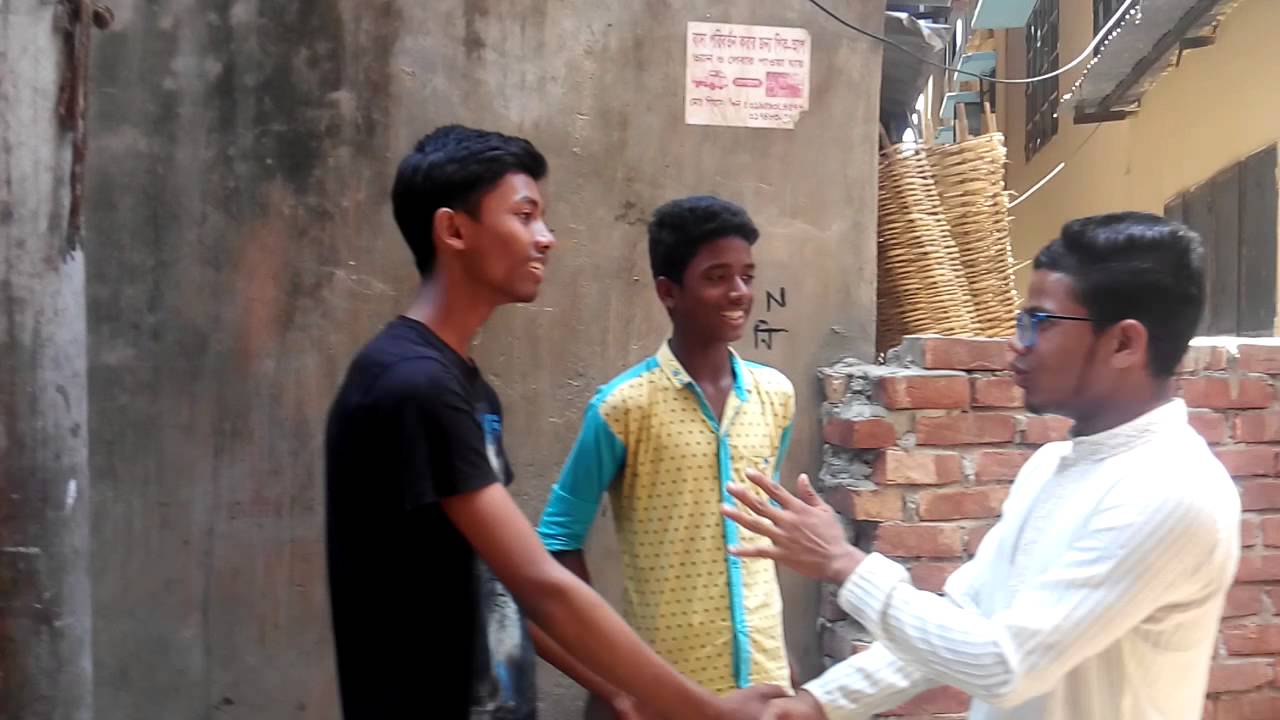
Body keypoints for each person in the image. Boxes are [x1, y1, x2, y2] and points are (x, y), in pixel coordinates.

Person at [324, 125, 784, 719]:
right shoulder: (413, 387)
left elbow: (501, 580)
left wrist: (615, 689)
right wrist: (708, 712)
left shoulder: (466, 388)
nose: (546, 238)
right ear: (454, 230)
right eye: (525, 216)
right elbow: (544, 582)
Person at [721, 212, 1241, 720]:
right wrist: (818, 704)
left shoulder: (1173, 491)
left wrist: (844, 563)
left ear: (1124, 343)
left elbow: (1004, 666)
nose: (1017, 342)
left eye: (1039, 322)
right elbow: (963, 619)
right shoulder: (1053, 464)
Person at [536, 196, 797, 715]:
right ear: (668, 292)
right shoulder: (623, 408)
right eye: (717, 277)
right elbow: (557, 540)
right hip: (667, 694)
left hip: (767, 688)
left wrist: (784, 661)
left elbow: (762, 534)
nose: (739, 292)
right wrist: (610, 677)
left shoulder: (776, 397)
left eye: (747, 275)